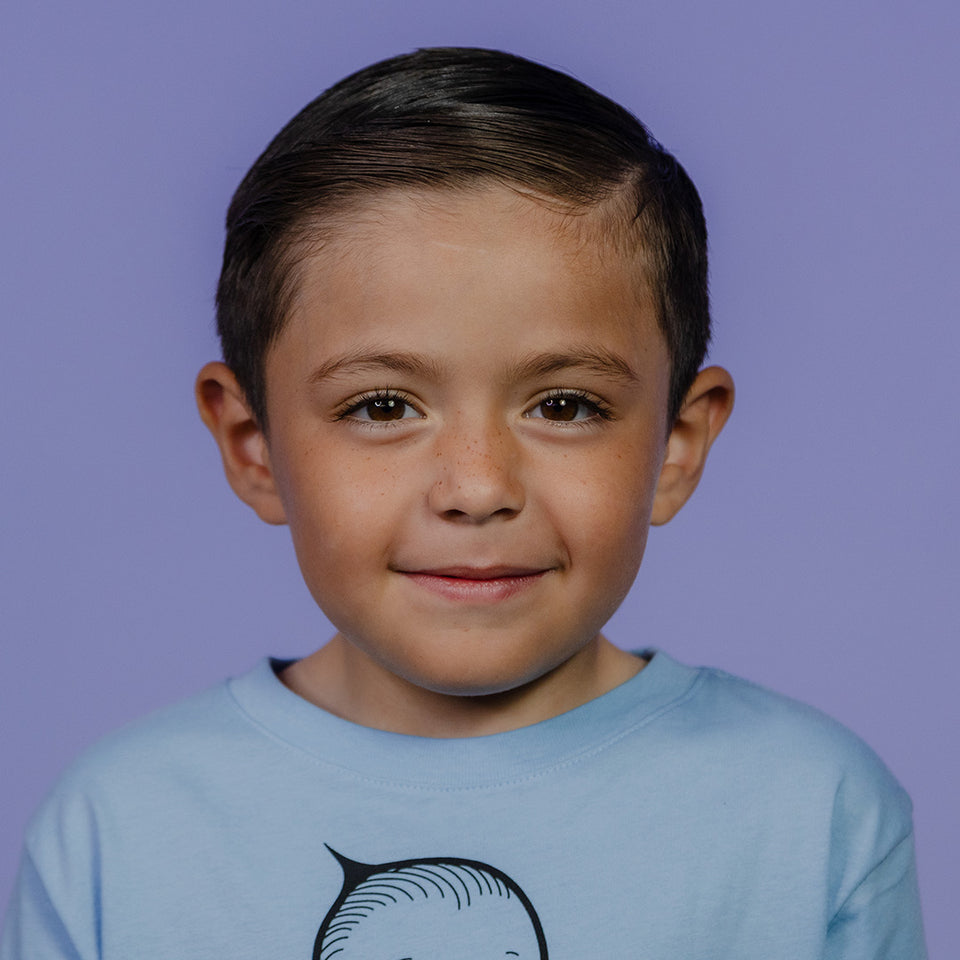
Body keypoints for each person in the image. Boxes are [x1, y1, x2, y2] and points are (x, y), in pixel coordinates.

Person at [1, 47, 926, 959]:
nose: (479, 488)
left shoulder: (811, 811)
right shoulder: (120, 832)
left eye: (565, 406)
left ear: (678, 448)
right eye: (382, 406)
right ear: (256, 448)